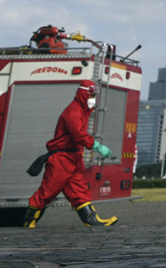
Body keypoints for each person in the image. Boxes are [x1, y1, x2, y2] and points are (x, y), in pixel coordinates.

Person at [23, 80, 117, 228]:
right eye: (91, 95)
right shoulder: (74, 111)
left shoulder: (80, 110)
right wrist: (96, 146)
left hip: (72, 158)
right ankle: (29, 222)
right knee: (47, 192)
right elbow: (78, 134)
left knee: (79, 190)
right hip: (62, 159)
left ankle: (91, 220)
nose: (93, 99)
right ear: (83, 94)